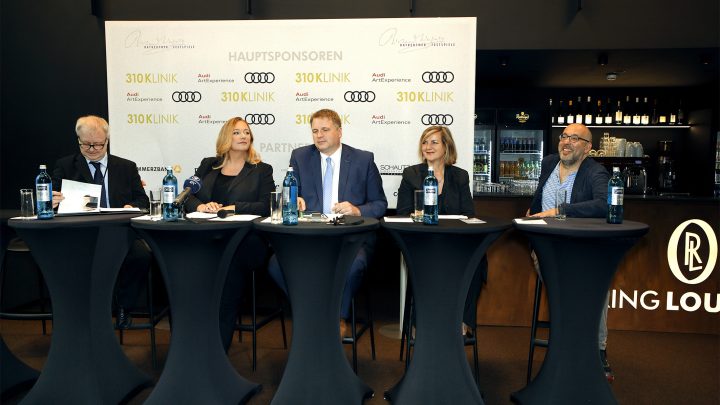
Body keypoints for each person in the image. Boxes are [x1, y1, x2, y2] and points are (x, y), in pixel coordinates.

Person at [268, 108, 387, 337]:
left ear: (339, 132)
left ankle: (336, 316)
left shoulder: (363, 159)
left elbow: (379, 204)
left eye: (325, 130)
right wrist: (296, 200)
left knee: (353, 266)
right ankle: (311, 310)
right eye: (314, 131)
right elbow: (288, 196)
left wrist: (356, 209)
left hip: (349, 237)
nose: (319, 135)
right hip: (309, 237)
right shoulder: (300, 157)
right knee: (275, 264)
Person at [526, 122, 614, 381]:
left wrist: (560, 211)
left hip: (582, 247)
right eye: (564, 136)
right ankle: (568, 346)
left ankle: (596, 349)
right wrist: (531, 213)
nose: (566, 142)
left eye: (575, 139)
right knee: (568, 285)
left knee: (597, 283)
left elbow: (604, 204)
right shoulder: (549, 163)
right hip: (547, 246)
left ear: (587, 148)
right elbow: (540, 194)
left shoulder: (595, 172)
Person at [183, 116, 275, 352]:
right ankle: (193, 341)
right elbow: (187, 195)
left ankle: (217, 347)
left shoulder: (261, 169)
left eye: (246, 132)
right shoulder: (208, 164)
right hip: (210, 236)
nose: (243, 136)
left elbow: (267, 205)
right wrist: (200, 206)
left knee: (228, 266)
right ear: (226, 137)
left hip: (247, 239)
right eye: (237, 132)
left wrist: (231, 208)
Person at [51, 115, 150, 329]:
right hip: (81, 233)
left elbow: (143, 200)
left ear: (107, 140)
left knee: (141, 255)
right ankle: (83, 312)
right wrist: (52, 201)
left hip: (119, 233)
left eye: (98, 144)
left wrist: (131, 207)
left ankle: (124, 306)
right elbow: (52, 199)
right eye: (87, 144)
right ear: (78, 140)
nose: (93, 149)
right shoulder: (66, 166)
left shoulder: (126, 167)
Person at [396, 126, 485, 336]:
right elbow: (402, 213)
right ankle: (419, 326)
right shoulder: (411, 174)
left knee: (478, 260)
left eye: (434, 142)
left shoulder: (460, 176)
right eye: (425, 142)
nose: (428, 147)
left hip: (454, 243)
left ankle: (463, 322)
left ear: (446, 146)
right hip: (424, 242)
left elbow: (468, 214)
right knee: (425, 263)